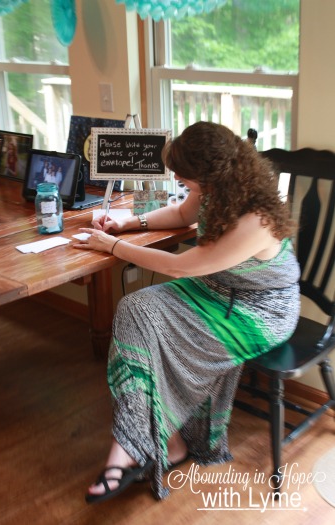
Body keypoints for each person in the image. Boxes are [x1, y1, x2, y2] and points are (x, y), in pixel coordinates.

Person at [73, 121, 300, 503]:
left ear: (211, 172)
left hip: (261, 311)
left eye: (183, 173)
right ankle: (169, 440)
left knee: (159, 330)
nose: (176, 177)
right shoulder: (215, 188)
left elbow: (183, 266)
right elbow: (182, 215)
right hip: (217, 290)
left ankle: (129, 447)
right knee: (135, 308)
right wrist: (127, 223)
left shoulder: (257, 218)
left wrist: (111, 246)